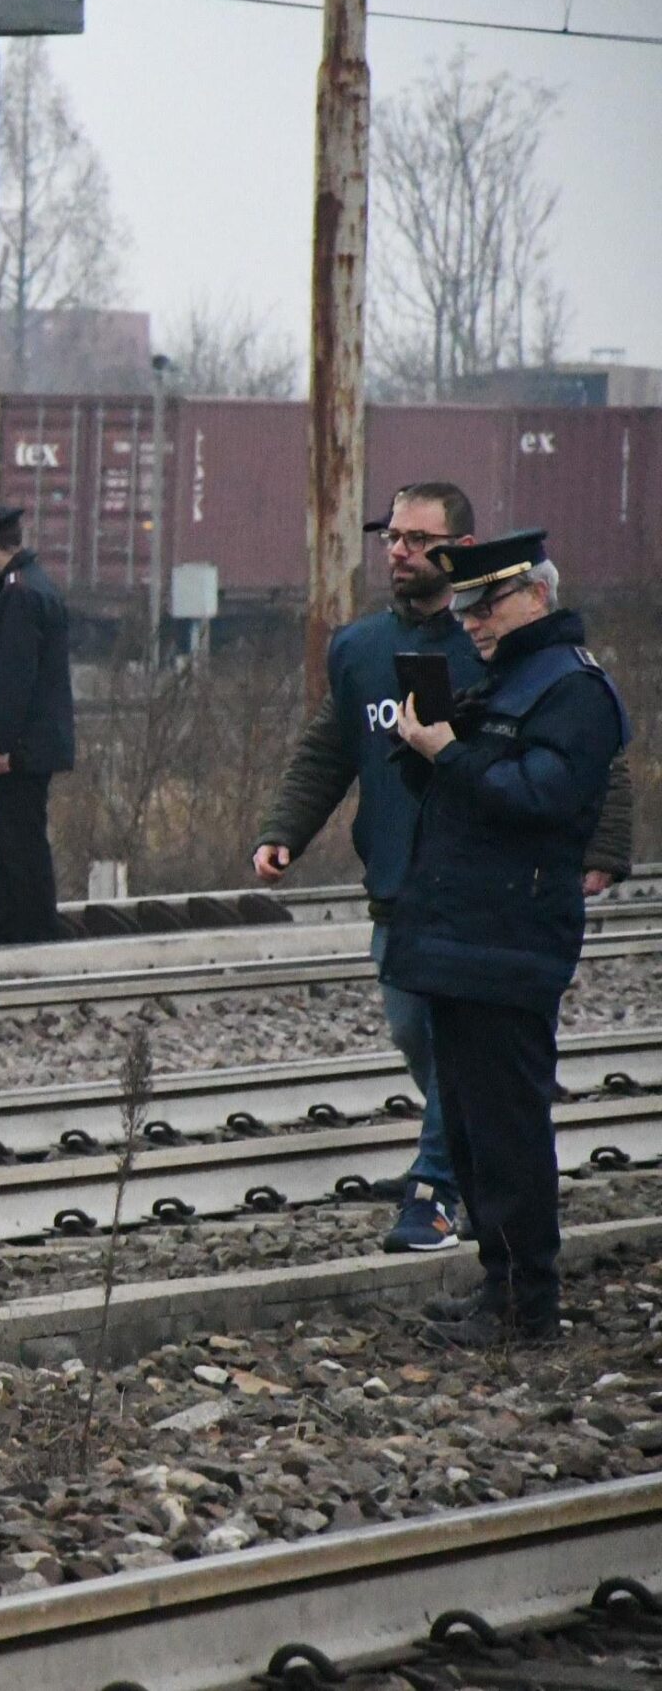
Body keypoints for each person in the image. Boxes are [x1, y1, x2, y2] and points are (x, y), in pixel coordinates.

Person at [252, 481, 632, 1255]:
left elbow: (594, 758)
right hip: (397, 881)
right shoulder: (360, 649)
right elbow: (329, 748)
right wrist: (282, 830)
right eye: (392, 537)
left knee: (464, 1047)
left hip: (482, 893)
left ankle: (437, 1191)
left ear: (456, 550)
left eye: (419, 540)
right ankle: (476, 1171)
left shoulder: (501, 655)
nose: (399, 551)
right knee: (418, 1035)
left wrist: (604, 848)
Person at [385, 530, 627, 1348]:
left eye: (486, 605)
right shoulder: (504, 680)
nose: (473, 621)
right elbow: (470, 796)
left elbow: (544, 798)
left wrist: (451, 753)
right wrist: (424, 751)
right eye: (465, 607)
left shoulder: (573, 690)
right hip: (465, 936)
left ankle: (530, 1302)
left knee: (510, 1127)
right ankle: (501, 1282)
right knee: (473, 1129)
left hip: (511, 938)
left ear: (537, 596)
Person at [0, 496, 74, 946]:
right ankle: (12, 924)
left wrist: (2, 745)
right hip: (35, 743)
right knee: (14, 833)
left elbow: (15, 676)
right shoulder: (30, 585)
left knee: (19, 836)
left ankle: (33, 927)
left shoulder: (19, 595)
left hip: (24, 747)